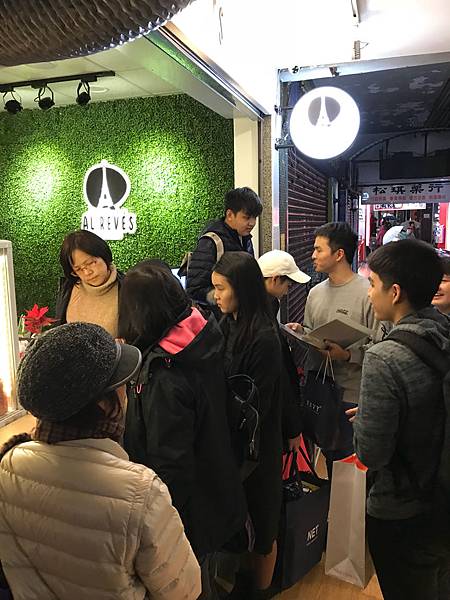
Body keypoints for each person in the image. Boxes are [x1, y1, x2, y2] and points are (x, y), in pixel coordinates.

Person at [0, 322, 200, 600]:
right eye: (120, 384)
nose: (126, 391)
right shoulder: (140, 492)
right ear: (104, 405)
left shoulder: (9, 465)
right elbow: (184, 590)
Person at [119, 260, 247, 599]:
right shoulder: (200, 334)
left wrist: (159, 523)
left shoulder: (164, 372)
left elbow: (170, 463)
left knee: (190, 584)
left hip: (187, 510)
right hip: (217, 484)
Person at [353, 239, 450, 600]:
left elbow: (372, 454)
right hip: (444, 495)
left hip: (403, 508)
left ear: (395, 292)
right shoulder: (444, 333)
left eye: (372, 284)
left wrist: (368, 420)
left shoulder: (385, 357)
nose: (369, 294)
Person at [212, 252, 282, 600]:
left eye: (221, 288)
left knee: (264, 522)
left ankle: (263, 591)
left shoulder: (265, 337)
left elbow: (259, 406)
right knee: (241, 521)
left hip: (257, 445)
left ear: (241, 288)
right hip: (233, 442)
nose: (215, 296)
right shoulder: (226, 323)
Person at [288, 222, 377, 474]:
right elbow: (312, 333)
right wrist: (302, 332)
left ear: (339, 254)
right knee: (327, 458)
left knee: (351, 468)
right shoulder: (315, 293)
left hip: (351, 396)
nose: (312, 255)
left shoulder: (368, 293)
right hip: (320, 391)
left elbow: (379, 348)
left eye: (319, 249)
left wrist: (347, 354)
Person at [257, 249, 311, 452]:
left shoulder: (253, 310)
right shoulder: (264, 319)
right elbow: (281, 377)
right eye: (287, 285)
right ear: (275, 279)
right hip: (272, 421)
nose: (288, 291)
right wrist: (293, 427)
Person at [186, 187, 262, 310]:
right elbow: (194, 289)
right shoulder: (211, 241)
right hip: (219, 317)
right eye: (247, 217)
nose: (252, 223)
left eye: (255, 217)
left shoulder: (245, 238)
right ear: (230, 215)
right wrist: (225, 296)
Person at [55, 230, 124, 336]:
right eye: (78, 269)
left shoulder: (127, 288)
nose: (87, 272)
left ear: (104, 256)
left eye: (91, 263)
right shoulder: (68, 288)